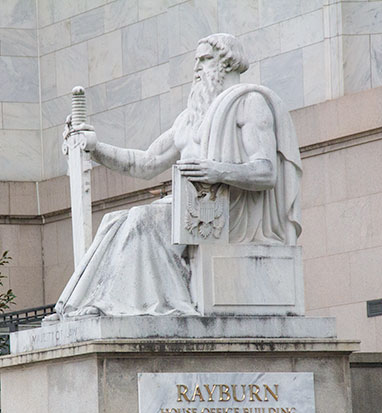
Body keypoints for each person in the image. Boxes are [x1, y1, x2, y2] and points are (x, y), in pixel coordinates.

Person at [52, 33, 302, 320]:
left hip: (229, 209)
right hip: (192, 207)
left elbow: (266, 172)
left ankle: (126, 306)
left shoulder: (249, 103)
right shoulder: (188, 119)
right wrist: (94, 148)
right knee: (114, 220)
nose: (197, 68)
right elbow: (145, 163)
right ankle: (96, 303)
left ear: (229, 63)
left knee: (143, 218)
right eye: (196, 61)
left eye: (205, 59)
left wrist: (216, 170)